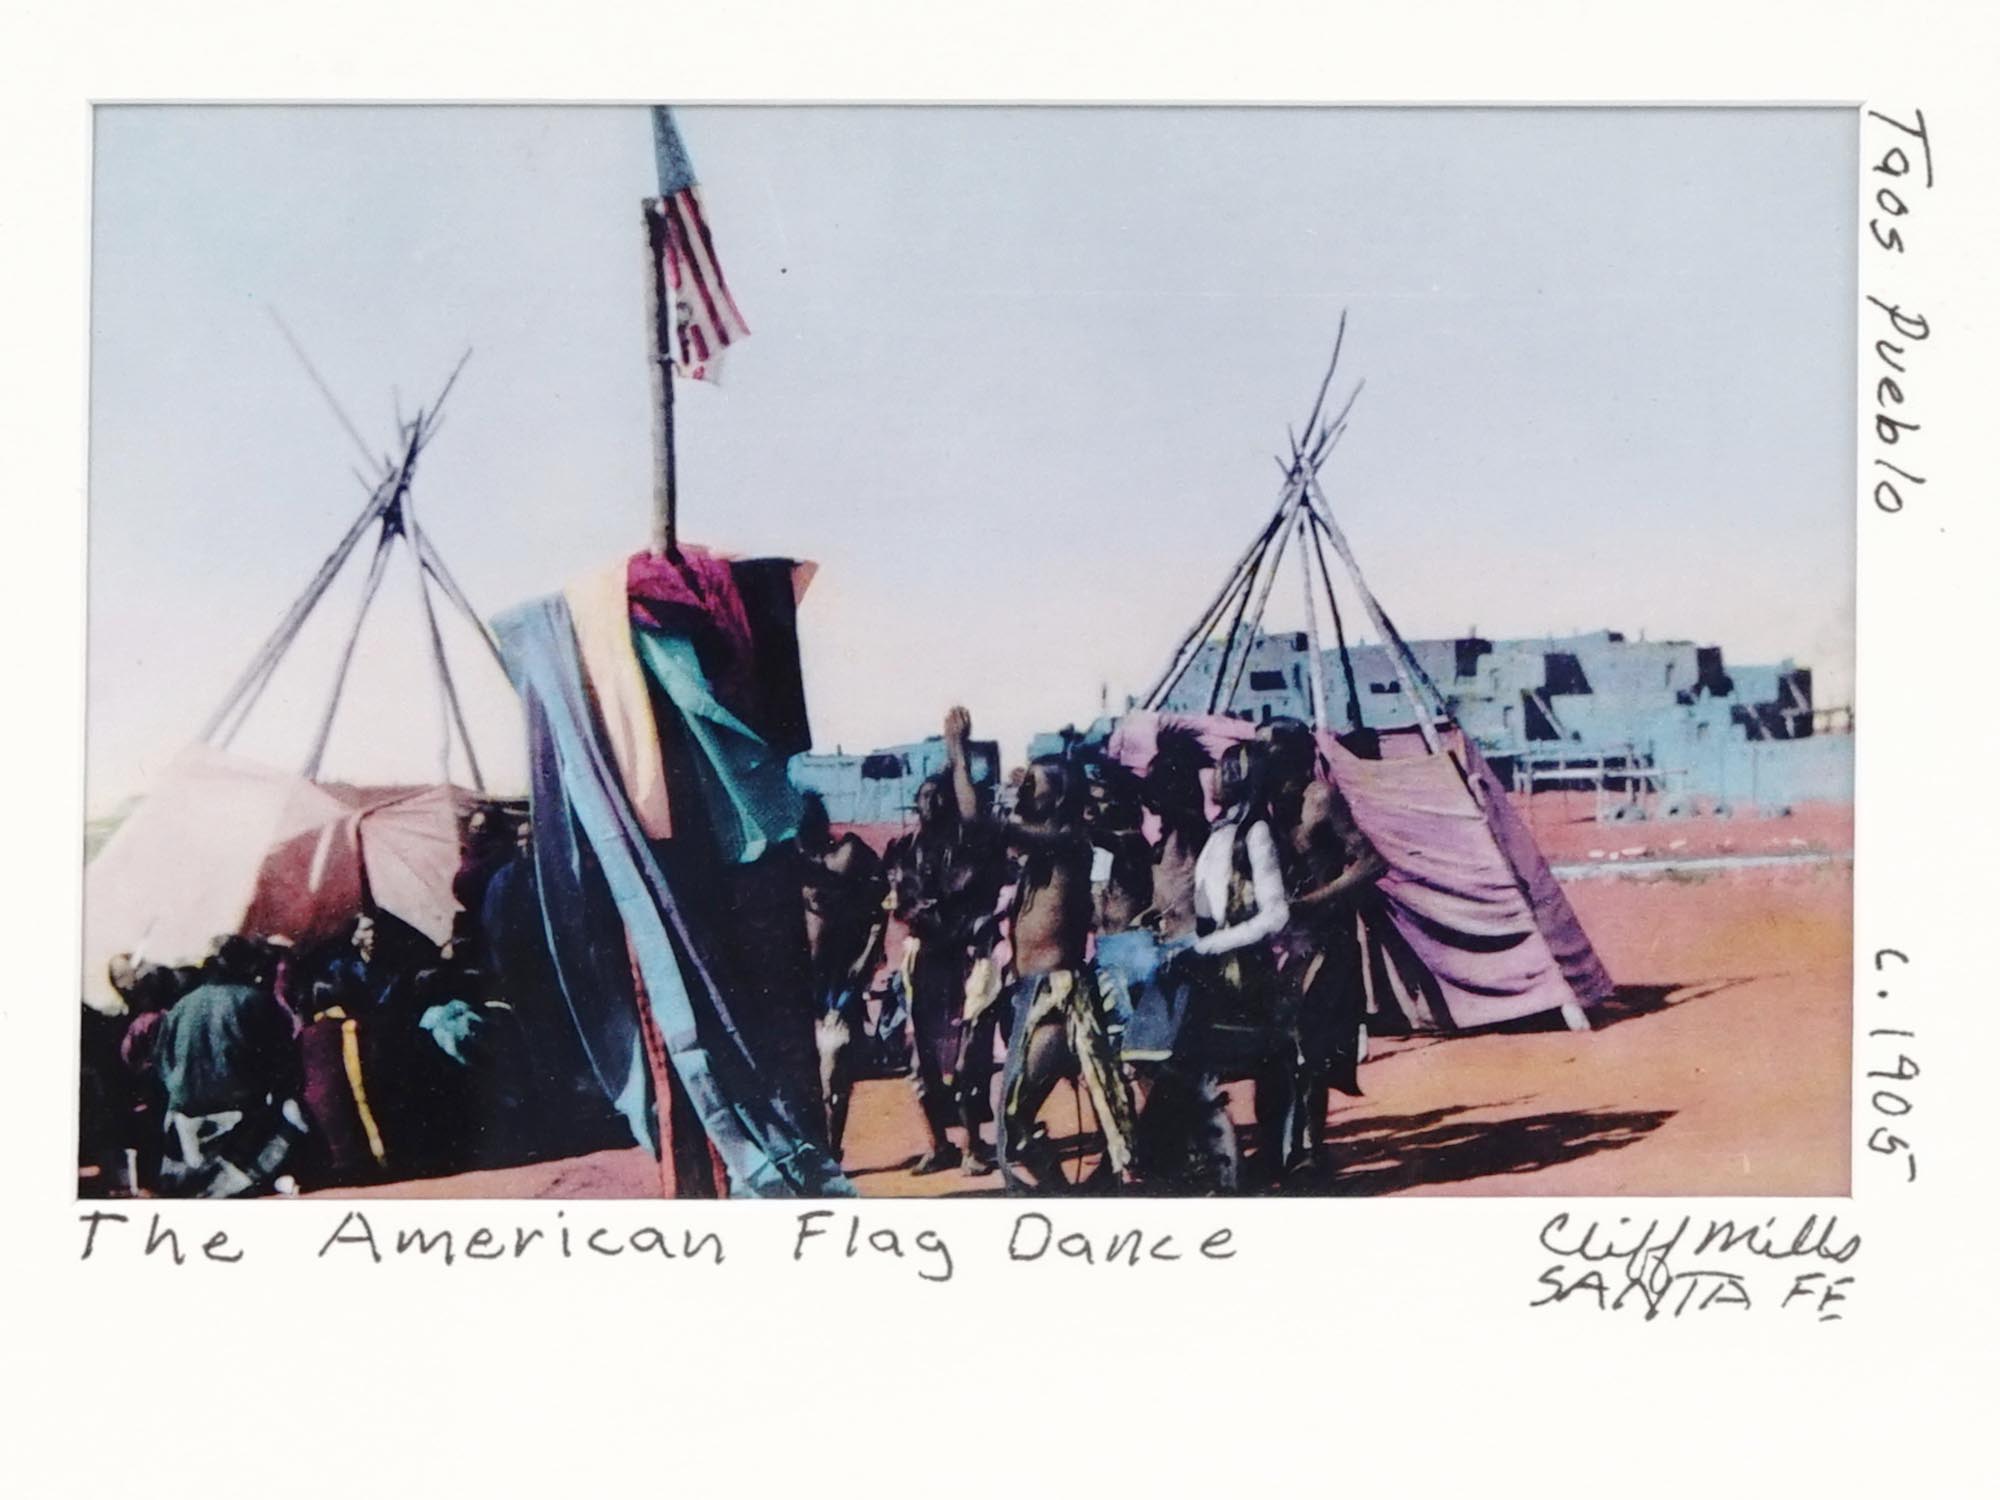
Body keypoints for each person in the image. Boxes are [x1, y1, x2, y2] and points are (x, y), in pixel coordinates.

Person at [970, 715, 1137, 1193]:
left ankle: (1075, 1195)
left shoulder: (1069, 844)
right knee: (1019, 1122)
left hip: (1058, 1001)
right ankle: (1070, 1195)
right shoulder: (1043, 853)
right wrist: (1021, 788)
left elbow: (985, 824)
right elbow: (990, 828)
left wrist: (959, 752)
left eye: (1034, 785)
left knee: (1016, 1120)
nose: (1024, 789)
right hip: (1030, 996)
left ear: (1059, 798)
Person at [1259, 719, 1387, 1172]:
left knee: (1310, 1049)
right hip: (1277, 948)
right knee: (1275, 1051)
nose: (1262, 757)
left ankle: (1311, 1151)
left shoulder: (1321, 799)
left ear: (1295, 753)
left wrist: (1315, 901)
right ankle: (1276, 1150)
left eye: (1270, 749)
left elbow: (1372, 862)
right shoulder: (1265, 806)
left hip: (1325, 941)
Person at [882, 727, 1003, 1174]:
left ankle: (973, 1146)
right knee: (923, 1060)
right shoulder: (903, 850)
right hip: (925, 959)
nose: (931, 803)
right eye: (924, 796)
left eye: (940, 796)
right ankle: (938, 1145)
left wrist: (958, 756)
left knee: (972, 1056)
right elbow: (899, 904)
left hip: (969, 955)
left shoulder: (971, 843)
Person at [1189, 739, 1293, 1185]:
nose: (1213, 777)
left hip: (1243, 974)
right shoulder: (1218, 832)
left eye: (1222, 769)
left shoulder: (1256, 832)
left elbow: (1275, 914)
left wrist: (1212, 946)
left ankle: (1254, 1167)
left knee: (1249, 1066)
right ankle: (1225, 1168)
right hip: (1211, 968)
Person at [797, 791, 888, 1159]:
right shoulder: (789, 863)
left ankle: (833, 1148)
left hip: (838, 986)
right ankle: (823, 1149)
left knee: (834, 1074)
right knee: (810, 1079)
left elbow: (882, 906)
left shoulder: (847, 855)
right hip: (802, 987)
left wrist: (866, 956)